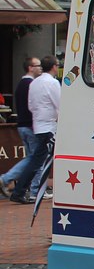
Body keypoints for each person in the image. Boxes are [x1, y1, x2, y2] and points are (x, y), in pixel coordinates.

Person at [10, 56, 61, 204]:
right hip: (49, 126)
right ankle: (22, 191)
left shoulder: (35, 83)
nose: (57, 68)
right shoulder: (52, 83)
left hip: (38, 126)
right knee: (38, 161)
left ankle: (26, 190)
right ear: (53, 67)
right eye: (57, 65)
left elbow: (31, 106)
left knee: (38, 160)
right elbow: (60, 104)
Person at [0, 57, 47, 200]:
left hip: (22, 126)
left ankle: (24, 186)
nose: (40, 68)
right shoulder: (30, 84)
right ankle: (33, 189)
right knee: (35, 159)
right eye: (37, 66)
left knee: (31, 158)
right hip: (30, 126)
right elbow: (33, 107)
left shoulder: (21, 84)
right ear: (30, 68)